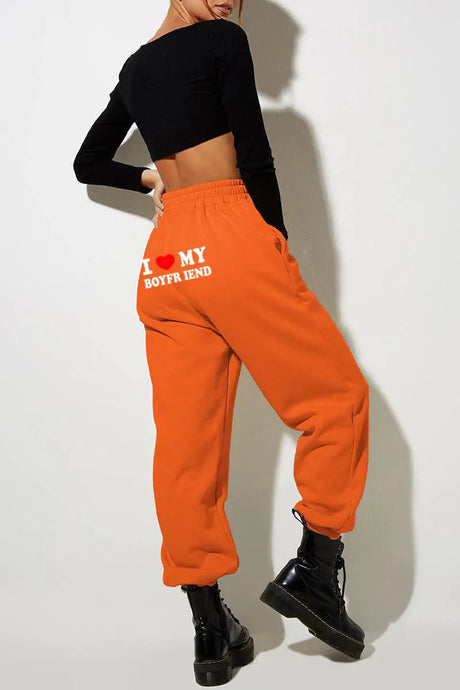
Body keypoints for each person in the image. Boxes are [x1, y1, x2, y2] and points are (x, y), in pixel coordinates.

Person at [73, 0, 370, 683]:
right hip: (233, 235)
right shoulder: (222, 40)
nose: (230, 0)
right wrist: (273, 247)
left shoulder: (135, 67)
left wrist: (151, 178)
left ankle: (211, 629)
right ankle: (315, 571)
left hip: (167, 260)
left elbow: (88, 162)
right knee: (335, 398)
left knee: (187, 449)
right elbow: (254, 151)